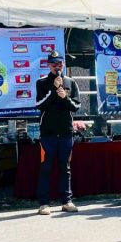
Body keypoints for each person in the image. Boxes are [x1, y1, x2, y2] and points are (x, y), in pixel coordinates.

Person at [34, 51, 81, 215]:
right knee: (45, 168)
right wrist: (53, 91)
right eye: (53, 63)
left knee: (65, 168)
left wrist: (65, 97)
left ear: (63, 64)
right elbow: (39, 105)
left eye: (59, 63)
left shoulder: (71, 82)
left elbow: (76, 107)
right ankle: (44, 204)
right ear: (48, 65)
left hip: (66, 132)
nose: (57, 66)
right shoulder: (41, 82)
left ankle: (67, 201)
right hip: (48, 134)